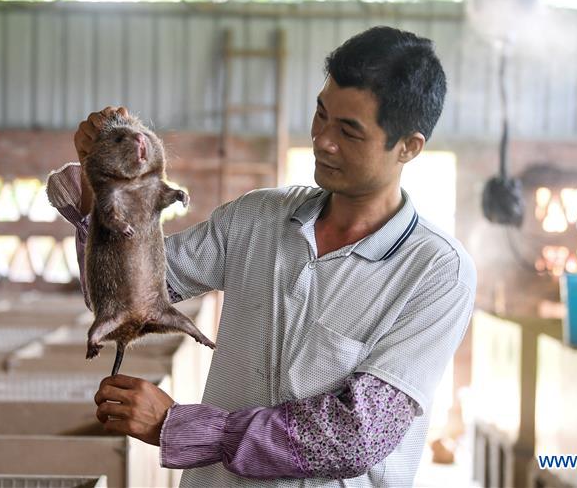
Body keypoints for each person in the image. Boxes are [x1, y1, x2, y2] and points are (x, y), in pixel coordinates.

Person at [46, 26, 475, 487]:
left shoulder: (437, 273)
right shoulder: (257, 219)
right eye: (321, 113)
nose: (323, 139)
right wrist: (103, 184)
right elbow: (125, 298)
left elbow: (356, 434)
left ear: (408, 146)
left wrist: (179, 426)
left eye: (349, 131)